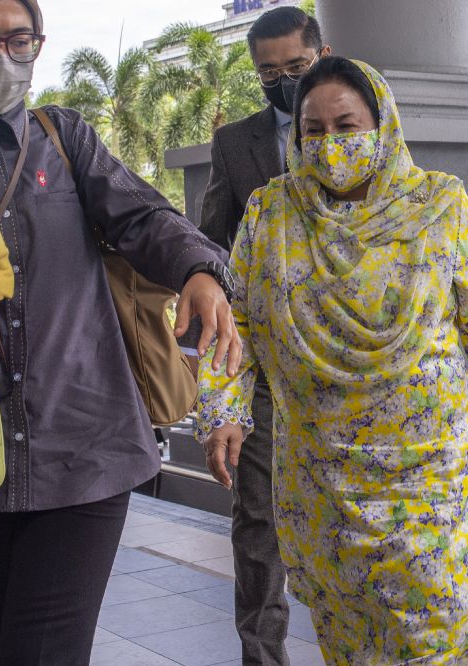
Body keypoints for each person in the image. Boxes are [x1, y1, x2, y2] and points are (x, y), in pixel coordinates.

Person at [0, 1, 238, 664]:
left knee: (45, 652)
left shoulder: (64, 138)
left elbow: (143, 218)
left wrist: (199, 268)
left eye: (19, 39)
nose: (2, 57)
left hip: (84, 445)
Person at [197, 56, 468, 665]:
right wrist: (223, 409)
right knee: (349, 630)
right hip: (319, 472)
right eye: (313, 130)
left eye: (346, 126)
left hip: (424, 471)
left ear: (383, 126)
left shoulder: (439, 204)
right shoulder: (271, 213)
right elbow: (237, 320)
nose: (329, 143)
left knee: (439, 626)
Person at [185, 7, 330, 664]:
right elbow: (211, 250)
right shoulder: (235, 143)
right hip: (266, 371)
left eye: (295, 67)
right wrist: (221, 395)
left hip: (351, 371)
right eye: (268, 73)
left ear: (323, 54)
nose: (283, 82)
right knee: (259, 527)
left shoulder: (364, 128)